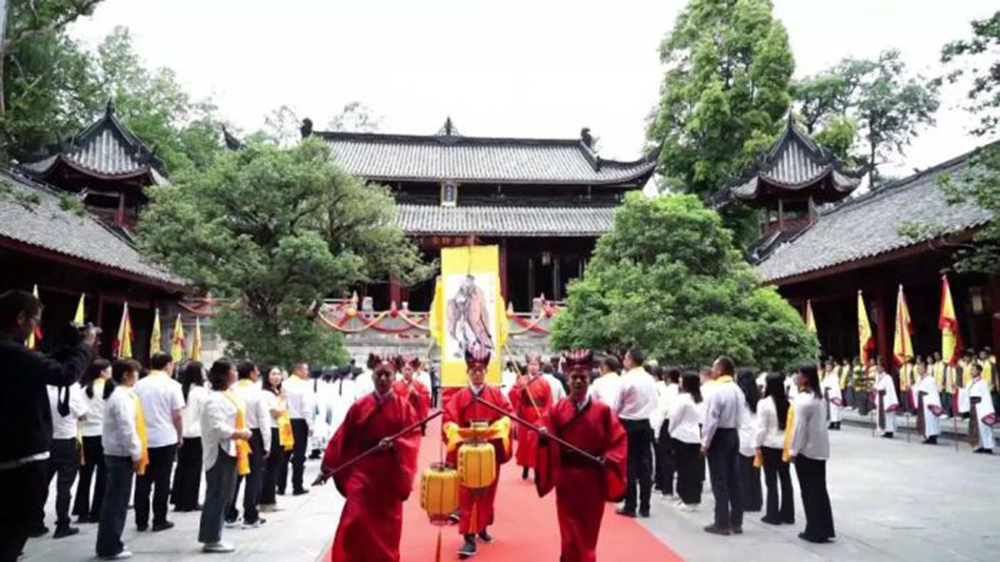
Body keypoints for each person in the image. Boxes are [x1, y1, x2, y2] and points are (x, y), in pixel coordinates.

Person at [0, 289, 95, 561]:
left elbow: (43, 363)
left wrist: (68, 348)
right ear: (21, 318)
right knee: (14, 529)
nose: (36, 326)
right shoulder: (12, 352)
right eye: (36, 320)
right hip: (20, 458)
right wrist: (86, 346)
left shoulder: (15, 354)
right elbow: (64, 374)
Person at [315, 355, 421, 561]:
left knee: (387, 527)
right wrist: (327, 467)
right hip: (362, 473)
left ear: (394, 377)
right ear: (372, 376)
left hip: (389, 474)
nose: (382, 379)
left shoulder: (404, 408)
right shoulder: (360, 406)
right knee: (354, 518)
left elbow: (412, 438)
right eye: (378, 374)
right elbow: (342, 437)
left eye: (387, 375)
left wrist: (395, 444)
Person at [534, 349, 627, 562]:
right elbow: (545, 430)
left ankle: (586, 557)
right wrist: (544, 437)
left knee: (589, 527)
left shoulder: (603, 410)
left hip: (592, 479)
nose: (578, 382)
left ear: (589, 380)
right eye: (574, 378)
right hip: (567, 479)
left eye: (582, 378)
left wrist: (609, 459)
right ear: (567, 379)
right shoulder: (557, 409)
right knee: (568, 527)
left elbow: (619, 440)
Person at [442, 346, 513, 559]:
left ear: (486, 372)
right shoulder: (460, 396)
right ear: (468, 373)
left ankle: (481, 527)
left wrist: (499, 426)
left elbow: (508, 414)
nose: (478, 373)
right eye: (473, 370)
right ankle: (469, 537)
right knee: (467, 495)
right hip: (467, 454)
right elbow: (448, 420)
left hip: (488, 452)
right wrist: (456, 431)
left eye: (481, 370)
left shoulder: (495, 394)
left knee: (487, 492)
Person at [198, 359, 252, 553]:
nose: (236, 373)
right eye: (233, 370)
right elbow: (218, 427)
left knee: (225, 495)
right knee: (217, 495)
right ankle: (211, 538)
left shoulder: (229, 395)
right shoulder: (214, 399)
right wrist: (240, 433)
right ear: (224, 375)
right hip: (221, 450)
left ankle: (215, 534)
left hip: (231, 449)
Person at [95, 359, 146, 560]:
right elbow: (126, 428)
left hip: (118, 453)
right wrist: (136, 453)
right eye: (135, 372)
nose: (137, 375)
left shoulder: (123, 394)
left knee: (116, 501)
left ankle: (110, 542)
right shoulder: (121, 397)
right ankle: (110, 546)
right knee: (116, 502)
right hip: (120, 455)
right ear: (126, 374)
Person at [133, 352, 184, 532]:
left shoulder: (138, 385)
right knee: (162, 480)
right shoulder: (173, 385)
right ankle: (159, 519)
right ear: (168, 365)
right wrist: (180, 435)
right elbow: (177, 415)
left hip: (143, 438)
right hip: (165, 437)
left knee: (142, 480)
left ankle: (140, 520)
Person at [789, 365, 835, 544]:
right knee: (819, 490)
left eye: (798, 373)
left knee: (809, 491)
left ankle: (814, 530)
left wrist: (793, 451)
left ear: (805, 378)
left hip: (806, 451)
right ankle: (824, 528)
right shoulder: (818, 398)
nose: (795, 377)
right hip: (820, 449)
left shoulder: (803, 400)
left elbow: (799, 429)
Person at [42, 370, 90, 538]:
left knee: (43, 483)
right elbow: (83, 414)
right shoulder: (73, 389)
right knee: (64, 485)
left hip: (47, 440)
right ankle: (62, 523)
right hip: (67, 440)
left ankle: (36, 521)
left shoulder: (45, 388)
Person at [702, 356, 745, 536]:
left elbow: (711, 420)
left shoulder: (718, 391)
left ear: (720, 370)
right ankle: (736, 521)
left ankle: (722, 523)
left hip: (719, 435)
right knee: (734, 479)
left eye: (714, 367)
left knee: (719, 480)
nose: (712, 371)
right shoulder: (737, 390)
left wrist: (705, 442)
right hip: (733, 434)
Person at [226, 361, 272, 528]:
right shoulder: (257, 392)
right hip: (253, 435)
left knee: (235, 475)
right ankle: (250, 515)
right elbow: (263, 420)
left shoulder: (231, 390)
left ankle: (229, 513)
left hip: (233, 433)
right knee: (254, 476)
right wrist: (267, 444)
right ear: (252, 373)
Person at [614, 348, 656, 519]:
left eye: (625, 358)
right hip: (645, 423)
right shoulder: (650, 379)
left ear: (630, 360)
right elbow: (655, 402)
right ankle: (645, 506)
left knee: (629, 466)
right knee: (644, 465)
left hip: (628, 423)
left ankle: (631, 505)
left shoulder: (627, 379)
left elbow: (616, 404)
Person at [75, 359, 113, 524]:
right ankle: (97, 511)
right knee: (103, 475)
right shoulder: (109, 389)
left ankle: (81, 511)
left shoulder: (84, 389)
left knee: (85, 475)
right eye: (109, 369)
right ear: (103, 372)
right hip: (103, 435)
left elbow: (80, 413)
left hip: (86, 435)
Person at [755, 373, 794, 525]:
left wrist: (757, 445)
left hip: (769, 444)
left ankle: (772, 514)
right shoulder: (788, 403)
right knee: (785, 479)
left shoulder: (764, 403)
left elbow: (761, 429)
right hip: (784, 445)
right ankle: (788, 514)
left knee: (771, 481)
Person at [508, 353, 553, 480]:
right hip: (525, 415)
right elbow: (512, 394)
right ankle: (525, 468)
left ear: (539, 366)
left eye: (536, 365)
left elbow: (549, 402)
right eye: (531, 364)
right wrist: (519, 389)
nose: (533, 367)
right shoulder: (522, 380)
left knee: (536, 445)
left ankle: (537, 471)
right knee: (525, 444)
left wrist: (544, 417)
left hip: (539, 416)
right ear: (527, 366)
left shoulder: (544, 383)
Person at [171, 361, 207, 513]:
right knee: (194, 468)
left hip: (182, 433)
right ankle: (189, 501)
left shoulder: (181, 389)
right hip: (196, 433)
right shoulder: (200, 391)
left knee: (182, 467)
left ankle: (178, 499)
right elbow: (206, 412)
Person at [669, 372, 704, 511]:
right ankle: (693, 499)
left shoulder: (683, 399)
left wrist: (670, 432)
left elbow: (675, 418)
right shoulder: (699, 398)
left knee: (683, 469)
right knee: (693, 470)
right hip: (695, 436)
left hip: (682, 436)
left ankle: (686, 499)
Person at [281, 363, 313, 496]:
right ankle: (297, 486)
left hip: (285, 421)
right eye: (306, 369)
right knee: (299, 456)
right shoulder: (304, 385)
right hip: (300, 422)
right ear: (298, 370)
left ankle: (280, 485)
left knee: (284, 455)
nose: (307, 372)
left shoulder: (284, 384)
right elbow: (306, 406)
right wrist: (310, 424)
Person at [259, 366, 287, 512]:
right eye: (273, 374)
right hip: (272, 429)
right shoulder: (266, 394)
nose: (277, 377)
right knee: (270, 467)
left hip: (279, 429)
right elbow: (276, 413)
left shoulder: (276, 392)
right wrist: (282, 400)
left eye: (278, 374)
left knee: (275, 467)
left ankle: (270, 499)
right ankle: (267, 501)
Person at [736, 369, 762, 513]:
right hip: (755, 438)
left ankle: (745, 501)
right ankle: (756, 501)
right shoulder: (758, 397)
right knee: (755, 473)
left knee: (742, 473)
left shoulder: (739, 397)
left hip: (742, 438)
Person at [653, 367, 680, 496]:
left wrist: (657, 432)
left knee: (665, 457)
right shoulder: (682, 390)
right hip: (680, 424)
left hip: (667, 423)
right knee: (675, 457)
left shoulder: (666, 391)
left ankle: (665, 487)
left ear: (668, 378)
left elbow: (661, 412)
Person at [392, 356, 432, 423]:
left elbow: (427, 398)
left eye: (409, 369)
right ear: (401, 371)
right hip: (400, 417)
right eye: (405, 369)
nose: (407, 372)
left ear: (413, 371)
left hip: (415, 417)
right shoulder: (395, 385)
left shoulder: (420, 385)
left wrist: (417, 395)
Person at [966, 364, 996, 454]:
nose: (972, 371)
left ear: (979, 371)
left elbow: (986, 397)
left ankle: (988, 446)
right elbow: (965, 392)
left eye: (974, 370)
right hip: (973, 407)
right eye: (971, 370)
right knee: (976, 428)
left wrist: (987, 410)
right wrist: (957, 389)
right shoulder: (970, 382)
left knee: (984, 427)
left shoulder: (983, 383)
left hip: (981, 407)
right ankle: (979, 445)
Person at [914, 363, 943, 445]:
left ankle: (933, 437)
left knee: (931, 420)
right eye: (918, 368)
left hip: (928, 402)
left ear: (925, 368)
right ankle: (927, 436)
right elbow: (916, 389)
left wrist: (932, 403)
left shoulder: (931, 379)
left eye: (920, 368)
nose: (918, 370)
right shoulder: (919, 379)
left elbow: (933, 392)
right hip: (921, 401)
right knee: (925, 420)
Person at [873, 365, 899, 439]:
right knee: (882, 415)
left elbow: (889, 390)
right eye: (877, 368)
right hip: (881, 398)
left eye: (879, 368)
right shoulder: (878, 377)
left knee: (889, 416)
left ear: (883, 368)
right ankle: (885, 430)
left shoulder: (888, 377)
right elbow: (877, 386)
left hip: (887, 398)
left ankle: (890, 431)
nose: (877, 369)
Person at [820, 364, 844, 430]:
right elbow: (823, 384)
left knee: (835, 409)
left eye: (829, 367)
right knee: (831, 409)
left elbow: (833, 384)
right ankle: (832, 422)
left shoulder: (834, 375)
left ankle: (836, 423)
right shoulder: (826, 375)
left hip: (834, 394)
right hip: (828, 394)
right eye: (826, 367)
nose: (827, 368)